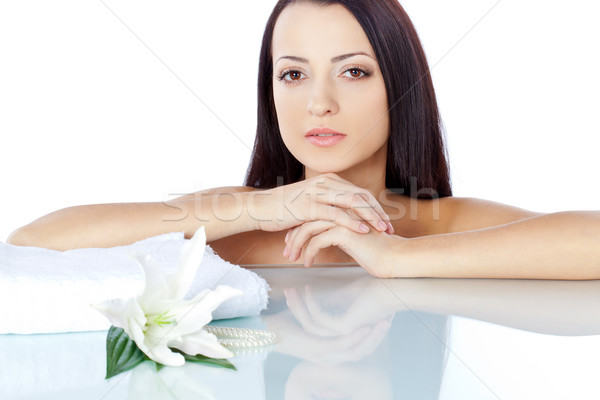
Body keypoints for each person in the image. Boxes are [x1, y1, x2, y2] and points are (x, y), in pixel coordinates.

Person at [7, 0, 600, 279]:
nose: (319, 101)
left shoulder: (437, 223)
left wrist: (400, 258)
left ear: (401, 87)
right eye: (292, 73)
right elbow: (33, 242)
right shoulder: (236, 221)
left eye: (353, 71)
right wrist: (263, 207)